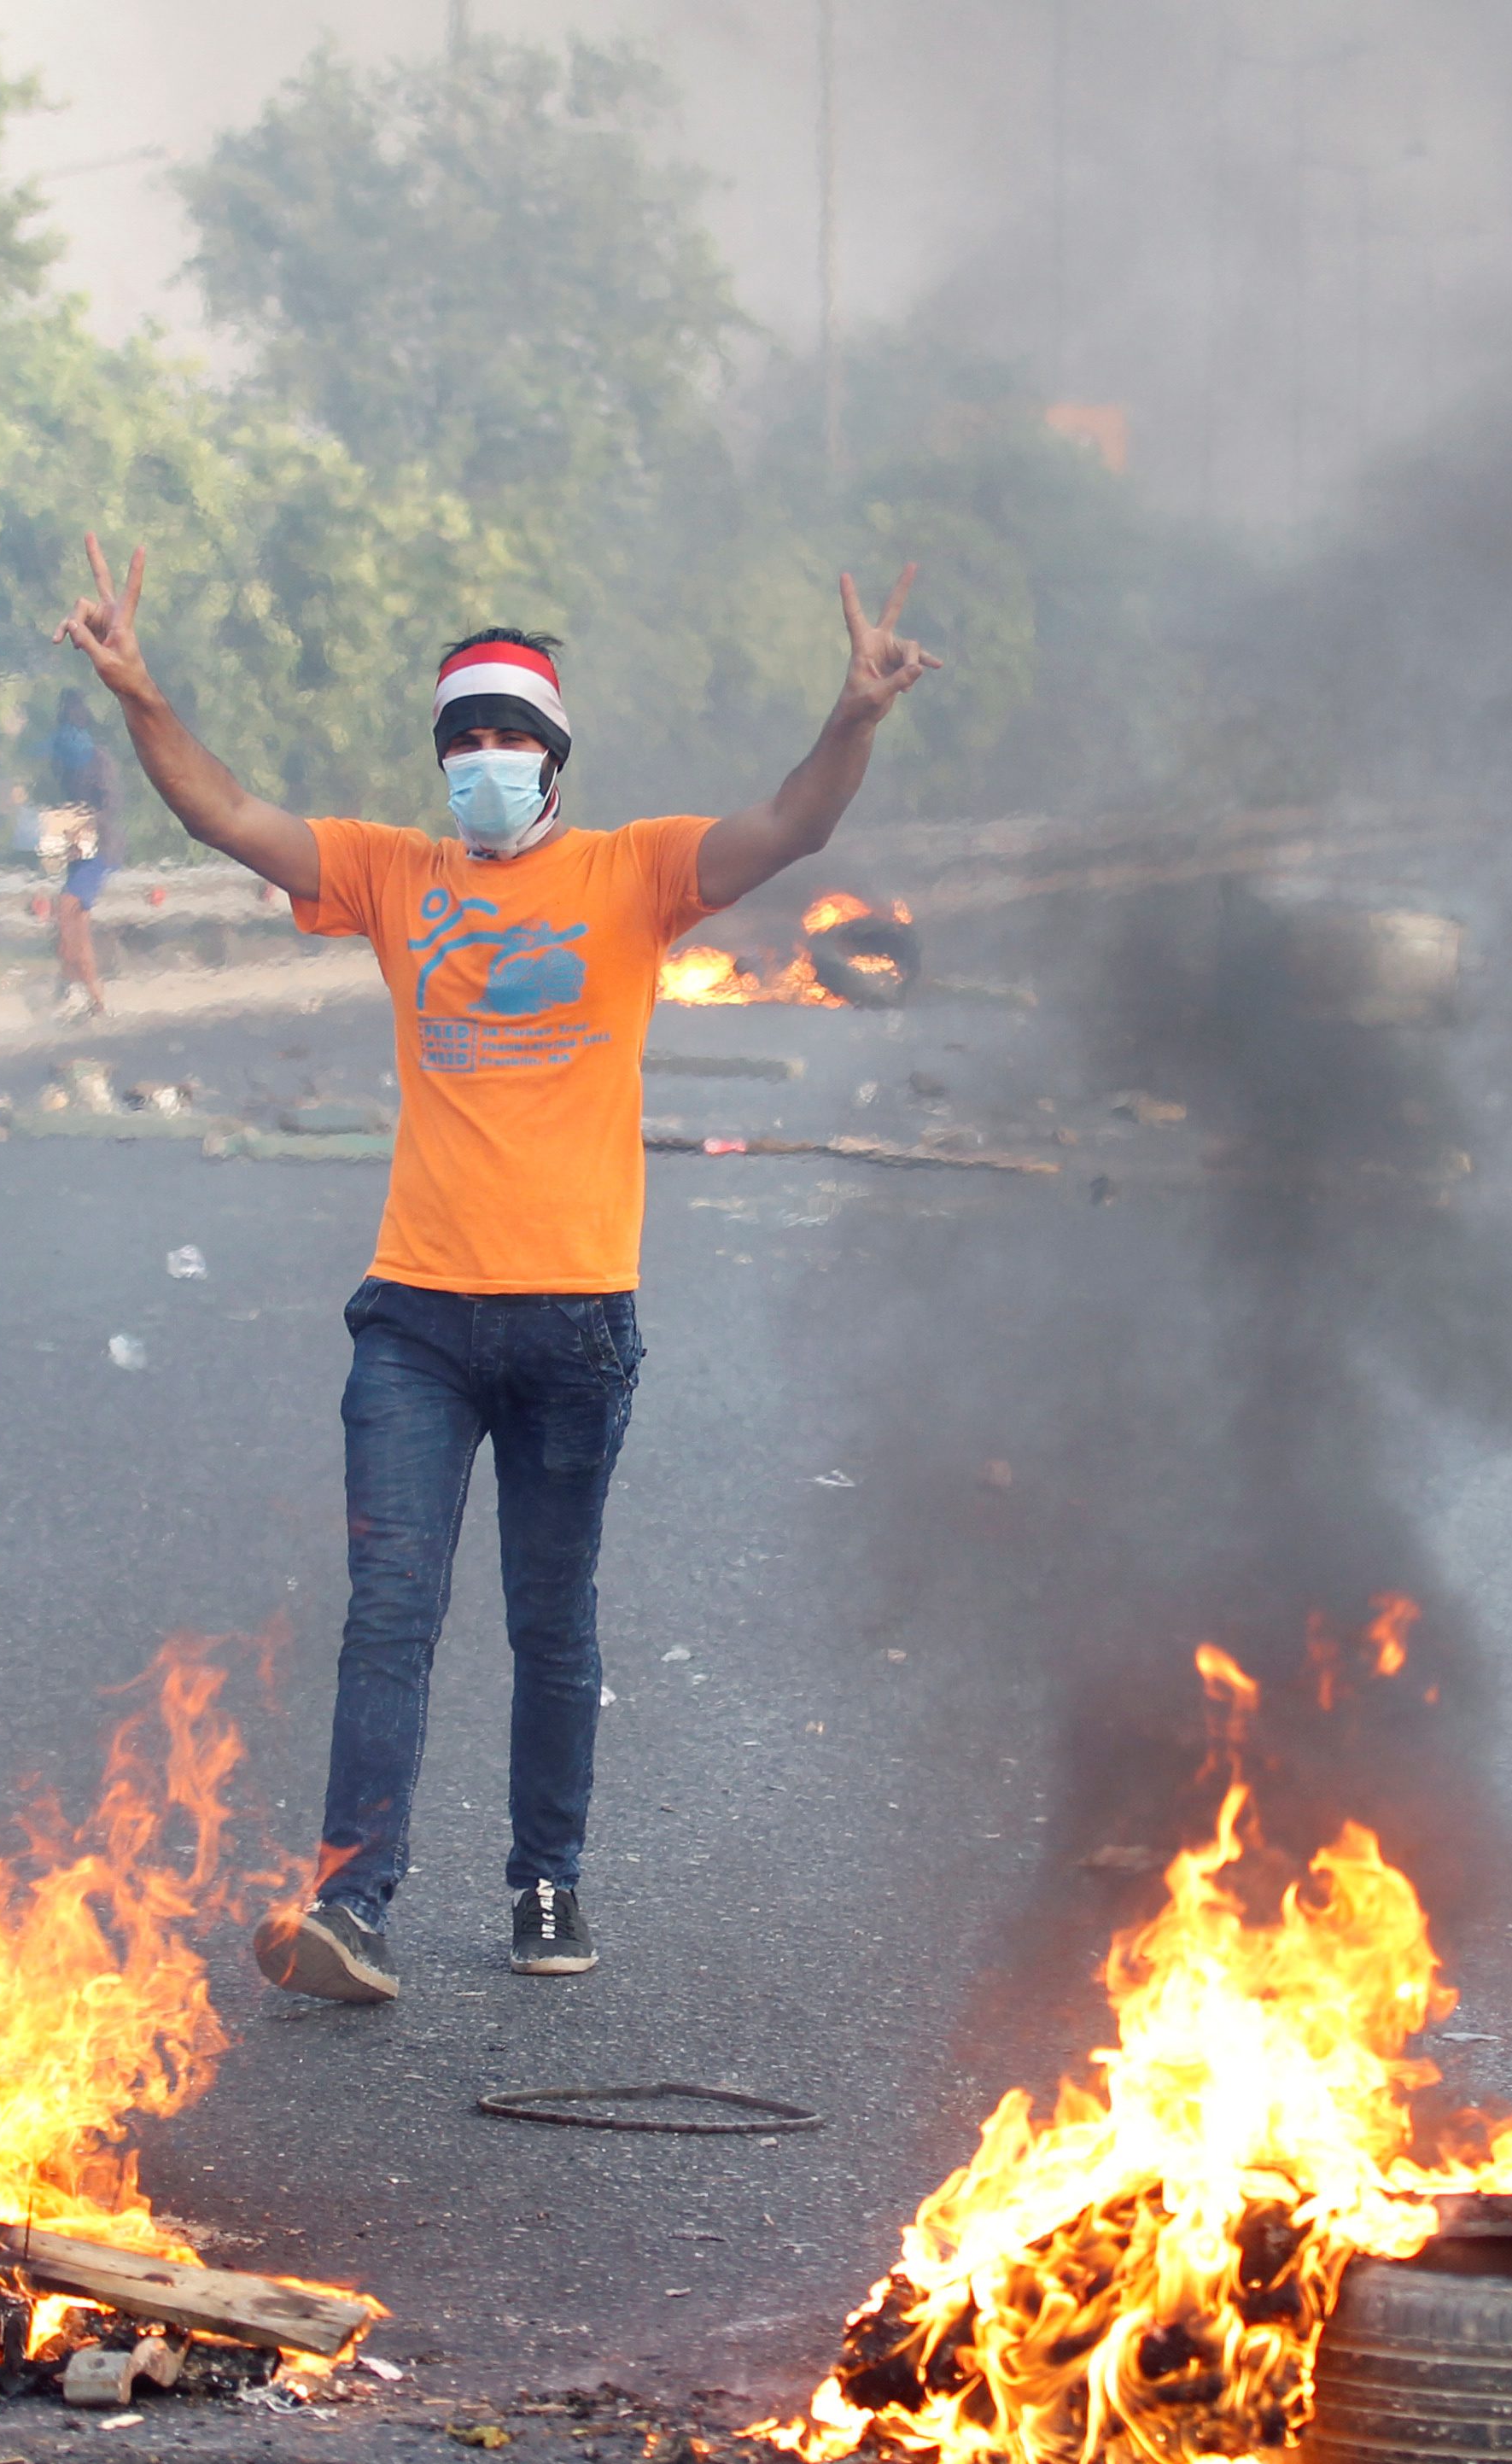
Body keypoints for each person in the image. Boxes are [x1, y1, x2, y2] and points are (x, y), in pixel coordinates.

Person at [54, 538, 937, 2003]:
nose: (486, 758)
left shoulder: (636, 872)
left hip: (578, 1320)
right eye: (463, 737)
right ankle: (353, 1904)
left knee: (551, 1616)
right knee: (391, 1608)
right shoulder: (390, 876)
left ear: (556, 755)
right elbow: (220, 809)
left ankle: (545, 1878)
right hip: (416, 1317)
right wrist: (142, 694)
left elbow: (790, 825)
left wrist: (851, 716)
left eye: (511, 734)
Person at [41, 689, 122, 1017]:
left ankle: (83, 991)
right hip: (76, 851)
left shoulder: (98, 758)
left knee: (67, 911)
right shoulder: (63, 761)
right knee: (74, 923)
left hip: (100, 848)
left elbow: (111, 805)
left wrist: (84, 824)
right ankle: (81, 992)